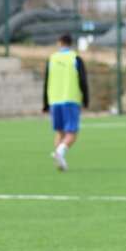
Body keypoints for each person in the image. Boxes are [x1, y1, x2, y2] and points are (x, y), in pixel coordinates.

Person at [42, 34, 88, 171]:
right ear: (71, 43)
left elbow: (46, 82)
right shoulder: (75, 58)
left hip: (54, 100)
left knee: (59, 132)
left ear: (59, 42)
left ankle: (59, 162)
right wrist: (85, 99)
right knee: (72, 133)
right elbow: (83, 81)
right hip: (70, 99)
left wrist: (45, 103)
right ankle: (60, 152)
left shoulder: (52, 59)